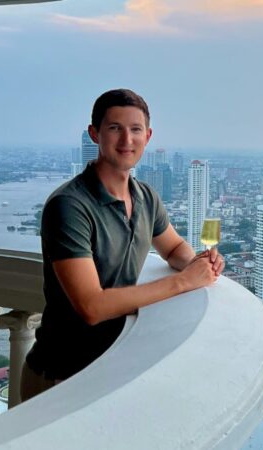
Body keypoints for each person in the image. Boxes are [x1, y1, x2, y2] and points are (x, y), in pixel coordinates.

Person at [21, 89, 224, 401]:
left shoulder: (145, 197)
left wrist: (197, 262)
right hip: (59, 377)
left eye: (136, 130)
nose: (126, 140)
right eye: (115, 128)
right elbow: (91, 306)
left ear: (148, 136)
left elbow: (172, 247)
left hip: (107, 368)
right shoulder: (70, 206)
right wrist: (184, 281)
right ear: (95, 134)